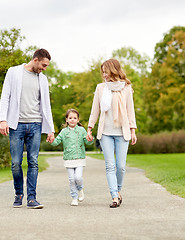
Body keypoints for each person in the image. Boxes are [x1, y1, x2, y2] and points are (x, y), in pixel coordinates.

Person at [0, 49, 55, 209]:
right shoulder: (14, 72)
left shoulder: (42, 79)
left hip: (36, 124)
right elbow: (5, 96)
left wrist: (50, 128)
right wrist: (3, 120)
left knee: (34, 162)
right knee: (16, 163)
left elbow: (46, 105)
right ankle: (18, 193)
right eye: (43, 65)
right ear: (35, 59)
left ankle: (32, 198)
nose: (44, 68)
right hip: (17, 124)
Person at [86, 59, 137, 208]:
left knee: (120, 166)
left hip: (122, 132)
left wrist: (133, 131)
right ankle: (114, 196)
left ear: (113, 70)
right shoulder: (101, 88)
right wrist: (90, 127)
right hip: (106, 133)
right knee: (110, 165)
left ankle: (118, 191)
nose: (104, 75)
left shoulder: (126, 88)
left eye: (106, 71)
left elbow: (130, 111)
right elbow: (95, 109)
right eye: (102, 72)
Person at [51, 109, 93, 206]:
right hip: (68, 158)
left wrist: (90, 140)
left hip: (79, 158)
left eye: (74, 118)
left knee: (78, 177)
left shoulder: (82, 130)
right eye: (70, 118)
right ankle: (74, 198)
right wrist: (51, 140)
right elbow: (56, 142)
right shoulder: (64, 132)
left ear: (78, 120)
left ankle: (80, 189)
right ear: (66, 120)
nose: (72, 120)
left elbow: (87, 142)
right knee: (71, 179)